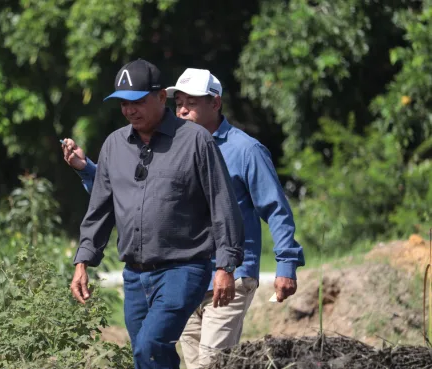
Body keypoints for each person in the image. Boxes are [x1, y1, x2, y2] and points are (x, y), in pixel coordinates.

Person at [63, 68, 305, 368]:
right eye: (179, 101)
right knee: (182, 360)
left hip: (224, 270)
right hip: (170, 274)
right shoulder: (142, 144)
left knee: (207, 363)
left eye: (192, 101)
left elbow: (270, 208)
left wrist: (285, 263)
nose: (182, 108)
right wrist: (88, 171)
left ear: (215, 103)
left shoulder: (242, 150)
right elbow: (127, 195)